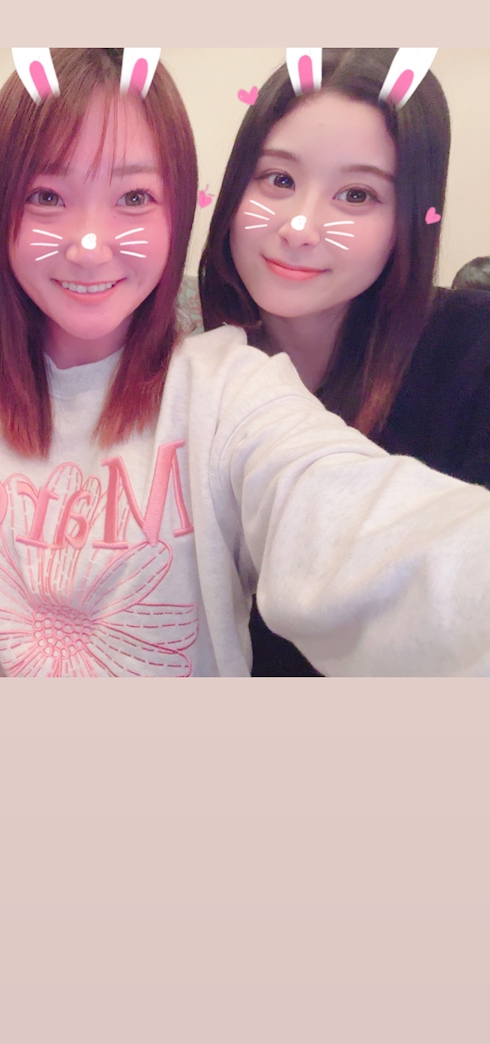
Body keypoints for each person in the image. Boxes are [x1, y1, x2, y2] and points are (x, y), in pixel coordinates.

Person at [0, 46, 490, 679]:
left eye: (134, 197)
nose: (89, 246)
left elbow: (367, 530)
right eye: (47, 196)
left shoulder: (231, 387)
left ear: (177, 209)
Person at [199, 47, 490, 675]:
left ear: (408, 219)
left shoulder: (473, 353)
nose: (301, 227)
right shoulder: (194, 374)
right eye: (278, 180)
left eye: (356, 194)